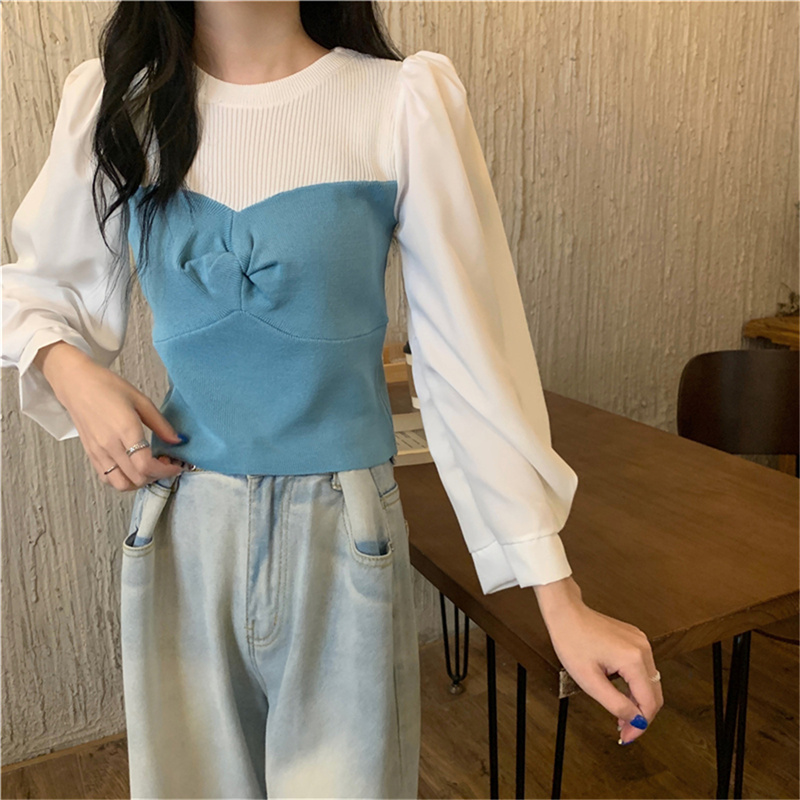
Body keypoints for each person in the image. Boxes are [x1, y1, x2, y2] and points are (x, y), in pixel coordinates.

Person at [1, 1, 663, 797]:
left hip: (344, 533)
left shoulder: (400, 101)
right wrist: (68, 371)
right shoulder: (117, 107)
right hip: (183, 531)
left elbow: (470, 358)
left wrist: (558, 595)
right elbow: (33, 293)